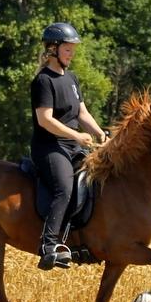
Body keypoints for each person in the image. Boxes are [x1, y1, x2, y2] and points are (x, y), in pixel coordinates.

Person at [30, 22, 107, 270]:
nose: (71, 54)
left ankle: (79, 241)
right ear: (53, 49)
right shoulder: (43, 81)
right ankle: (49, 245)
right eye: (67, 49)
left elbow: (82, 113)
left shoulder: (71, 78)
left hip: (73, 146)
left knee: (94, 181)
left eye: (73, 49)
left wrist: (99, 134)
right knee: (64, 188)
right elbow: (45, 120)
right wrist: (76, 136)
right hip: (49, 147)